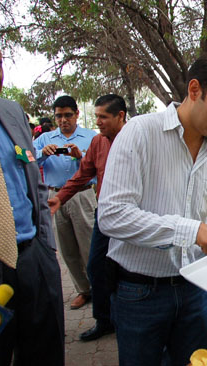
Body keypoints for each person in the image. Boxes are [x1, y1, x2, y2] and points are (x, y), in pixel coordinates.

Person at [97, 53, 207, 365]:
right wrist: (191, 230)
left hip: (195, 289)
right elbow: (111, 215)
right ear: (194, 90)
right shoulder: (140, 132)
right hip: (140, 293)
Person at [0, 25, 64, 364]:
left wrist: (46, 251)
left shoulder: (12, 112)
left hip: (34, 261)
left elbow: (33, 181)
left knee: (44, 353)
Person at [47, 94, 126, 341]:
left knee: (126, 270)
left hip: (132, 216)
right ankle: (104, 321)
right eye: (97, 116)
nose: (98, 122)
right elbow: (83, 174)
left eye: (103, 117)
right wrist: (61, 197)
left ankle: (129, 320)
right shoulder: (98, 143)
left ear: (120, 116)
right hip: (104, 215)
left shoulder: (137, 140)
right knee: (96, 267)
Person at [34, 95, 97, 309]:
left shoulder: (90, 137)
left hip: (83, 194)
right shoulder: (45, 139)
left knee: (89, 245)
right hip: (55, 197)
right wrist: (41, 154)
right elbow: (26, 157)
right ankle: (83, 290)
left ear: (77, 114)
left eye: (68, 115)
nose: (63, 120)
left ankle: (99, 289)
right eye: (59, 116)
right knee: (66, 248)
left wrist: (81, 156)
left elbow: (99, 164)